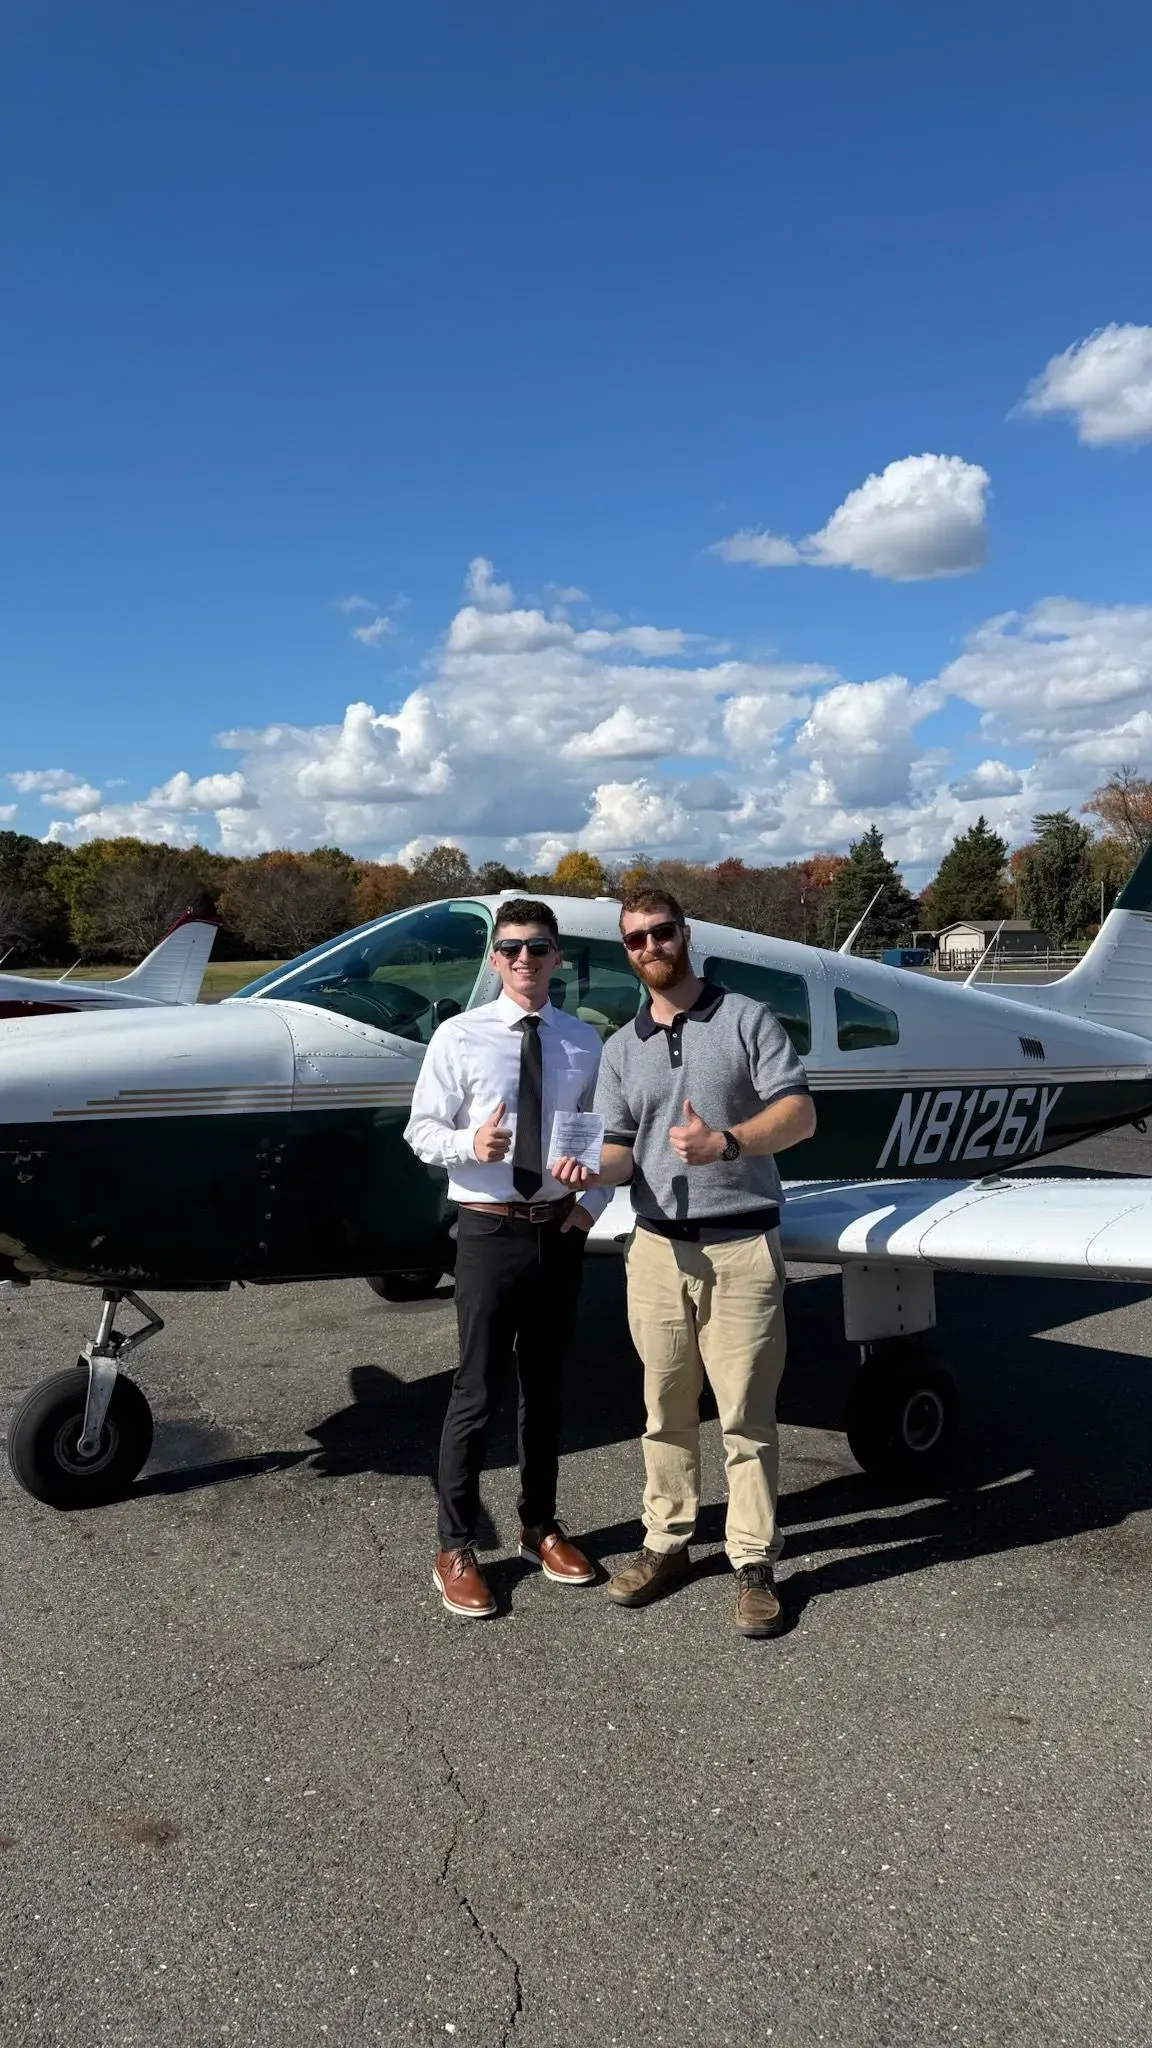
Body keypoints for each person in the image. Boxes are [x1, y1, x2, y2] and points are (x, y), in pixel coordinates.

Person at [554, 886, 816, 1638]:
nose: (650, 949)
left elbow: (800, 1113)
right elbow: (614, 1145)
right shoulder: (620, 1047)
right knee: (664, 1409)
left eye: (660, 933)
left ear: (685, 934)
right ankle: (667, 1543)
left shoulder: (744, 1019)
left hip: (741, 1244)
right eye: (635, 940)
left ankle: (754, 1561)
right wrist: (588, 1173)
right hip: (658, 1251)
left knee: (745, 1414)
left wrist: (726, 1143)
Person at [404, 898, 607, 1619]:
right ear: (495, 959)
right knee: (477, 1389)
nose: (526, 959)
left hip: (557, 1229)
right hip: (489, 1231)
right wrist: (470, 1146)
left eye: (540, 947)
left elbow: (593, 1133)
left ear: (557, 958)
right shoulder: (460, 1038)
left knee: (546, 1387)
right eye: (513, 947)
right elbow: (420, 1131)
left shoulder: (583, 1042)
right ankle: (454, 1544)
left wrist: (591, 1207)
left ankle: (538, 1526)